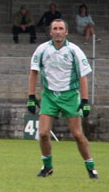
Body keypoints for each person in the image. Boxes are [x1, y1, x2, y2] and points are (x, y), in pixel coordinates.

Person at [27, 19, 98, 179]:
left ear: (66, 32)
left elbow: (83, 76)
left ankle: (91, 168)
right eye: (55, 28)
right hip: (49, 95)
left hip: (70, 95)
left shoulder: (75, 51)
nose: (58, 31)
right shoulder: (42, 50)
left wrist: (85, 101)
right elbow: (33, 72)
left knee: (77, 135)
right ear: (50, 32)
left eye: (61, 28)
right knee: (43, 133)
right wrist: (31, 96)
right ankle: (47, 167)